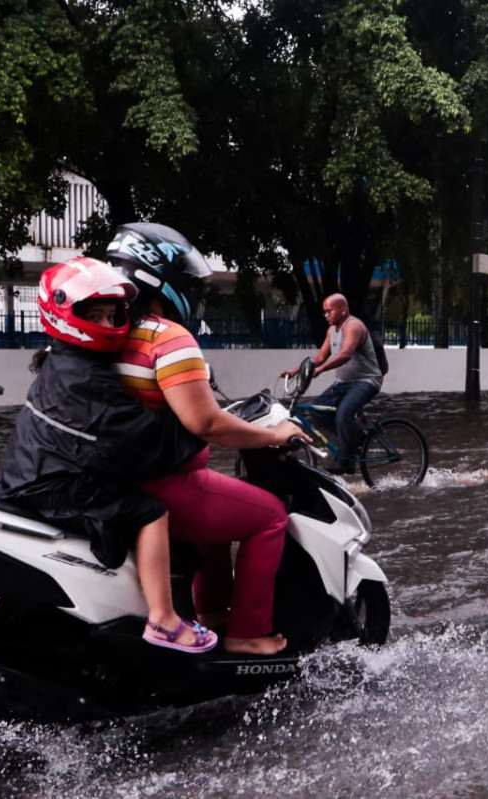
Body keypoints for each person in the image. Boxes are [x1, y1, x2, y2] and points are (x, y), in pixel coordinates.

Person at [0, 257, 217, 655]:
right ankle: (164, 620)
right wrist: (199, 425)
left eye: (113, 315)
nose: (108, 324)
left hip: (27, 473)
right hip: (51, 485)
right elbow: (147, 443)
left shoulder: (63, 359)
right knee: (150, 512)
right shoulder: (87, 377)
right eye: (95, 315)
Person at [106, 222, 308, 656]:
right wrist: (272, 436)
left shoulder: (106, 332)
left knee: (221, 514)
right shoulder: (166, 337)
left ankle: (212, 613)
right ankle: (248, 633)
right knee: (269, 516)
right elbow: (207, 425)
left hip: (113, 478)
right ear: (160, 279)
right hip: (160, 481)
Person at [281, 293, 383, 475]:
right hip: (343, 383)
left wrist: (321, 370)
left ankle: (345, 460)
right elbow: (320, 357)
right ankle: (354, 439)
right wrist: (296, 370)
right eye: (324, 312)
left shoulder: (353, 326)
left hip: (366, 381)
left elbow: (345, 354)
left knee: (343, 414)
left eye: (330, 311)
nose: (326, 315)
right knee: (317, 411)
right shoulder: (331, 331)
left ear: (343, 310)